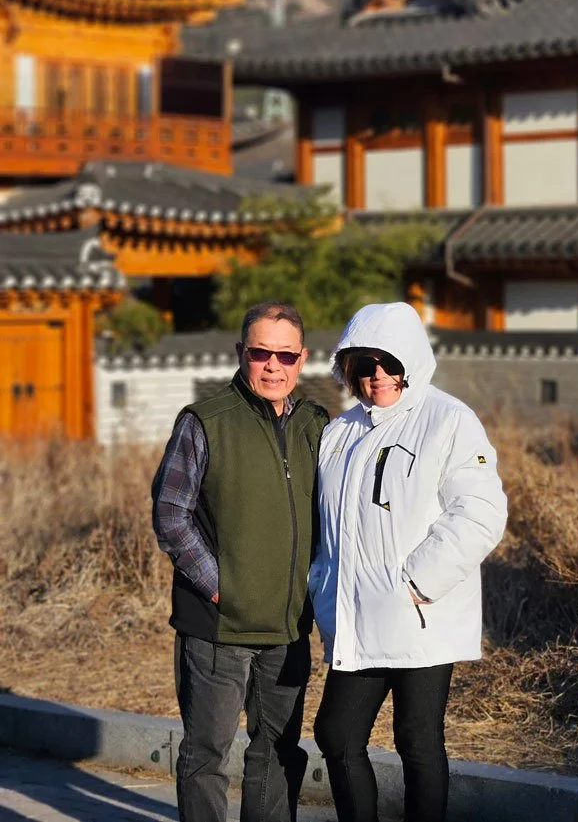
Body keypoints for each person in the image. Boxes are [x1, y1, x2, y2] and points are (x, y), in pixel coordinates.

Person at [310, 301, 508, 822]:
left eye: (390, 364)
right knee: (336, 733)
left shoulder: (449, 419)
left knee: (416, 739)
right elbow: (326, 528)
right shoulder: (340, 432)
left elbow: (481, 513)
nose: (378, 377)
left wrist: (417, 582)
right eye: (364, 365)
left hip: (417, 614)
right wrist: (320, 586)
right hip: (356, 615)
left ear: (413, 362)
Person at [151, 301, 328, 822]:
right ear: (240, 353)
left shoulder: (317, 425)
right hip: (217, 629)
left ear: (302, 359)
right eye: (260, 353)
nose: (273, 366)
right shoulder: (205, 421)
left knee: (276, 754)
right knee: (206, 756)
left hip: (288, 626)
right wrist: (220, 585)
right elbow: (171, 514)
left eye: (285, 355)